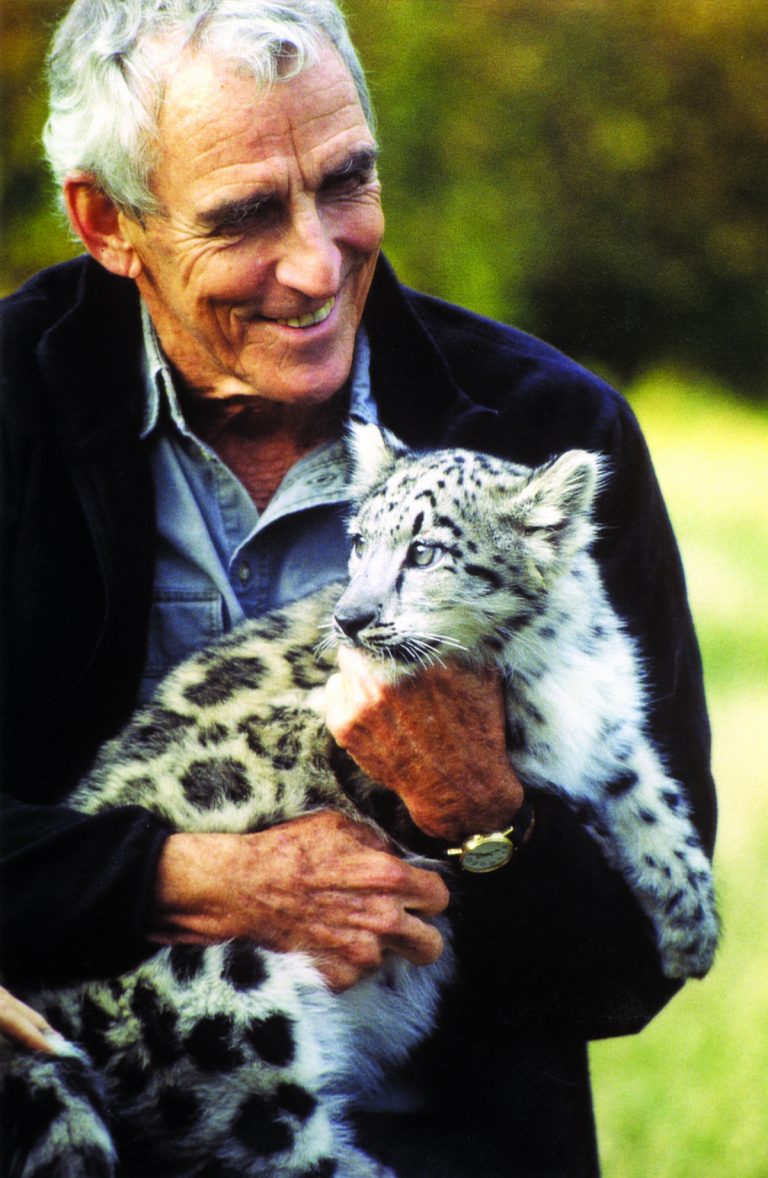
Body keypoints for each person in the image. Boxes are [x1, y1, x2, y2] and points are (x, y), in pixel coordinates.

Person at [0, 1, 716, 1174]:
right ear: (106, 220)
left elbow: (640, 963)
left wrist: (480, 805)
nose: (318, 262)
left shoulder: (555, 435)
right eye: (242, 216)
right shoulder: (12, 409)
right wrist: (178, 875)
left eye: (345, 181)